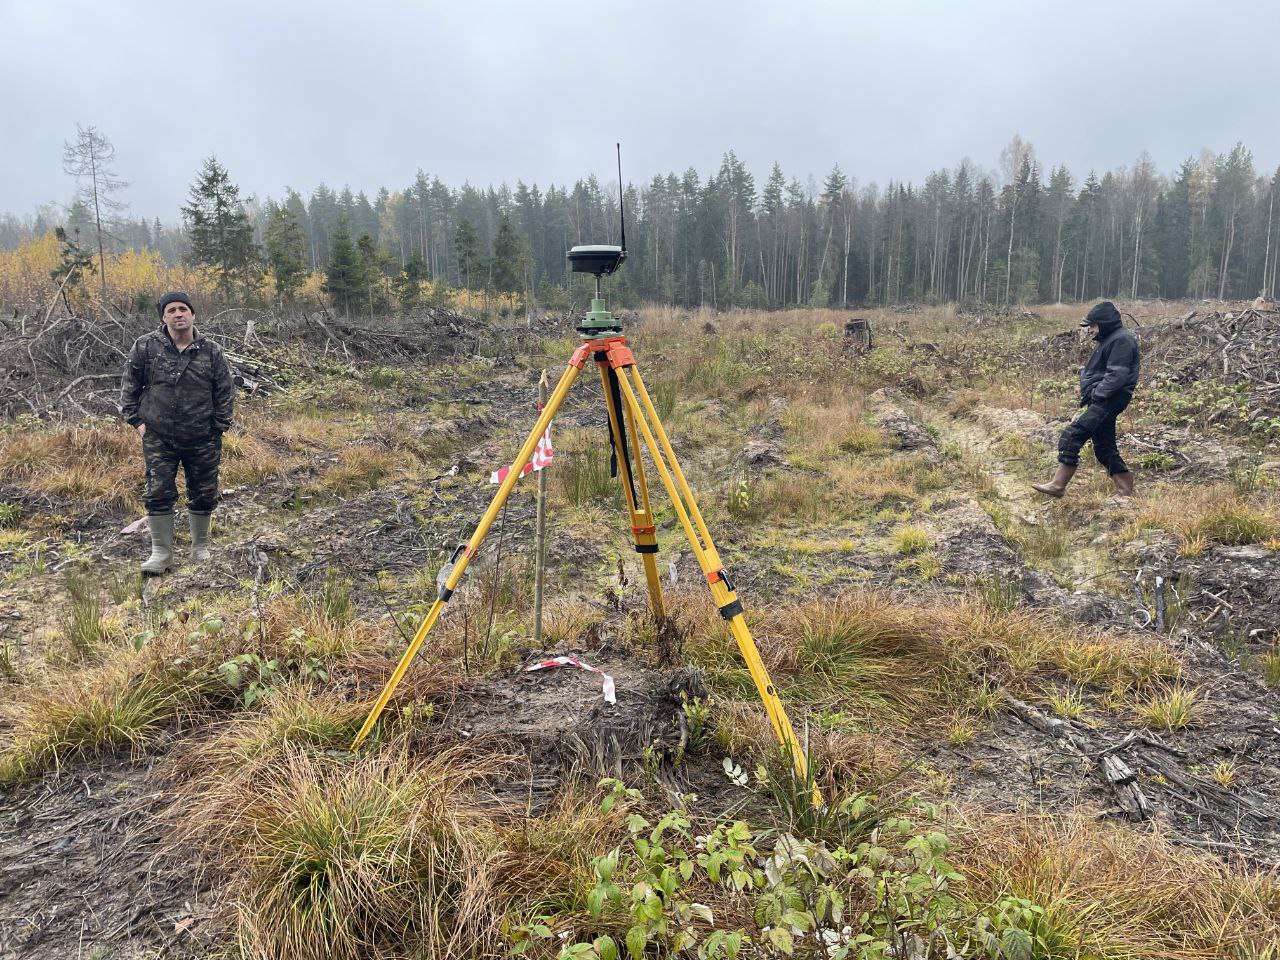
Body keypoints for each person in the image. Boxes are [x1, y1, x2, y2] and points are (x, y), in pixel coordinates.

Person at [119, 292, 234, 573]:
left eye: (183, 309)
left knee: (204, 491)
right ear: (163, 317)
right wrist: (137, 422)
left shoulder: (211, 350)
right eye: (171, 310)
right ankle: (161, 553)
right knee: (158, 491)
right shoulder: (146, 347)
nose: (178, 314)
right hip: (159, 436)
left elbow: (225, 390)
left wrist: (217, 427)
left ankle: (200, 548)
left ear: (193, 315)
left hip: (202, 436)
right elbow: (129, 387)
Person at [1032, 301, 1140, 499]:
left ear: (1104, 323)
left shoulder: (1121, 340)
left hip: (1109, 400)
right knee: (1103, 447)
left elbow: (1117, 375)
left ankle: (1058, 485)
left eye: (1093, 325)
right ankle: (1125, 490)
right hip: (1104, 399)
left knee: (1072, 435)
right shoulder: (1109, 339)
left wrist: (1097, 395)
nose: (1090, 329)